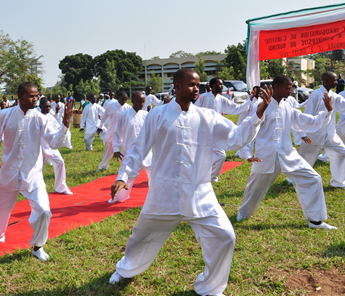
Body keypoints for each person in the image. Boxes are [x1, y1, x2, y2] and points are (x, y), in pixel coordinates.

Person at [109, 68, 268, 295]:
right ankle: (125, 270)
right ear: (177, 86)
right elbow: (138, 149)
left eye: (198, 85)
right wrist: (123, 176)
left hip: (199, 194)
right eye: (192, 85)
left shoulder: (207, 117)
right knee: (141, 236)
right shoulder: (158, 114)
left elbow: (236, 138)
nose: (196, 89)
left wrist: (258, 115)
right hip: (163, 193)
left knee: (225, 236)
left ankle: (210, 287)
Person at [0, 83, 74, 262]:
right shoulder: (4, 115)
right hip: (8, 173)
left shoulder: (41, 118)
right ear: (20, 96)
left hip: (32, 174)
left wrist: (65, 125)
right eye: (31, 96)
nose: (35, 99)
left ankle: (38, 246)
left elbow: (54, 142)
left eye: (36, 96)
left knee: (43, 210)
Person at [236, 75, 337, 230]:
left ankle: (315, 221)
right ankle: (244, 212)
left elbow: (306, 121)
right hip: (266, 156)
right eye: (287, 87)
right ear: (276, 88)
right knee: (255, 188)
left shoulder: (287, 106)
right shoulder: (262, 106)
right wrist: (248, 154)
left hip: (288, 155)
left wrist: (327, 112)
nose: (290, 90)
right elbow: (249, 130)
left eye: (291, 87)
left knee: (313, 178)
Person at [299, 71, 345, 191]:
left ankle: (338, 181)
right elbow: (306, 115)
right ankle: (293, 179)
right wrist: (303, 134)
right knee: (305, 160)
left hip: (330, 134)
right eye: (334, 80)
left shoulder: (335, 96)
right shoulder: (316, 94)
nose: (337, 82)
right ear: (326, 81)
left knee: (342, 152)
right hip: (314, 134)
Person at [194, 77, 252, 182]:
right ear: (212, 86)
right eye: (219, 84)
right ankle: (202, 177)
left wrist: (250, 100)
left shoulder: (222, 99)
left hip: (217, 132)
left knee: (220, 155)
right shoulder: (203, 97)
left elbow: (236, 108)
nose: (221, 86)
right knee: (201, 156)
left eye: (221, 84)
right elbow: (194, 111)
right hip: (203, 131)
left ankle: (212, 177)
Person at [110, 91, 151, 203]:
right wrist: (116, 149)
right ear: (132, 101)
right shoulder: (124, 115)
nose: (142, 104)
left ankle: (157, 196)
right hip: (130, 153)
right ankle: (119, 196)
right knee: (127, 176)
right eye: (139, 101)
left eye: (143, 102)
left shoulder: (146, 115)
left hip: (146, 153)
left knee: (156, 175)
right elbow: (116, 134)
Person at [39, 98, 72, 195]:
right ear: (40, 106)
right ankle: (37, 188)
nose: (48, 108)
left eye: (49, 106)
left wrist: (65, 124)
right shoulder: (36, 115)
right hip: (37, 144)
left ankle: (61, 187)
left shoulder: (50, 116)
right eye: (46, 106)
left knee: (60, 161)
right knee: (38, 167)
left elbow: (57, 129)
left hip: (49, 144)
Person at [97, 91, 131, 172]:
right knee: (108, 151)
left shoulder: (128, 108)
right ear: (118, 97)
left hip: (123, 134)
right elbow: (104, 117)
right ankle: (103, 166)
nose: (124, 102)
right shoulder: (111, 105)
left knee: (124, 152)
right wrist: (100, 127)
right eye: (123, 99)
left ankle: (124, 168)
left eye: (126, 100)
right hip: (111, 132)